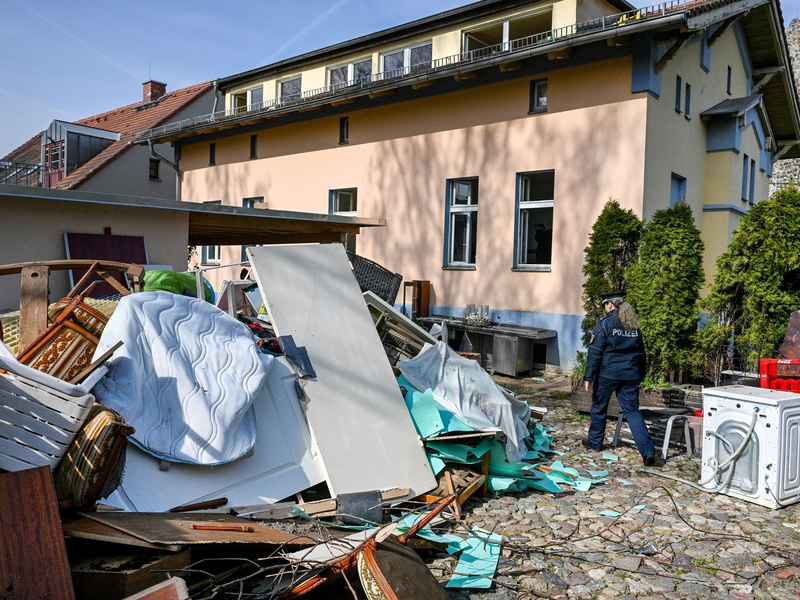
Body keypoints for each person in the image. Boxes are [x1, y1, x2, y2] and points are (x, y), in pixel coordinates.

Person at [582, 291, 665, 467]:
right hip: (631, 374)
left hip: (608, 374)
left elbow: (595, 352)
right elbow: (642, 354)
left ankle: (595, 443)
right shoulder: (634, 326)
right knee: (633, 412)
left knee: (599, 407)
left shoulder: (605, 324)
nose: (604, 308)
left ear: (610, 304)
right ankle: (648, 452)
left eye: (605, 305)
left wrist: (589, 376)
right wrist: (640, 374)